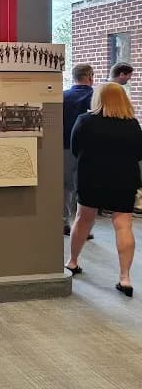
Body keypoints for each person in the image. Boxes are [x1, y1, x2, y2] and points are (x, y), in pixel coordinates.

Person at [66, 83, 142, 297]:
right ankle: (125, 278)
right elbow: (139, 153)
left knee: (83, 219)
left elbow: (74, 148)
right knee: (123, 224)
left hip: (91, 176)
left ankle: (72, 262)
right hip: (124, 179)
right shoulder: (132, 124)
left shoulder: (85, 121)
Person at [63, 64, 94, 237]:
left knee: (65, 187)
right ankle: (84, 227)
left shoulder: (62, 96)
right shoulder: (96, 96)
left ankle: (64, 222)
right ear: (90, 76)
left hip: (64, 146)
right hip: (89, 150)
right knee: (86, 188)